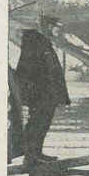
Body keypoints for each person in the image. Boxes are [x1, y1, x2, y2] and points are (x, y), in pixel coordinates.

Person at [14, 17, 71, 166]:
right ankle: (31, 155)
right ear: (47, 26)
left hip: (47, 94)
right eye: (54, 26)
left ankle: (37, 152)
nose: (57, 30)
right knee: (37, 122)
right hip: (38, 94)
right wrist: (28, 93)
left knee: (44, 122)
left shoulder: (44, 43)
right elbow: (26, 70)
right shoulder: (35, 41)